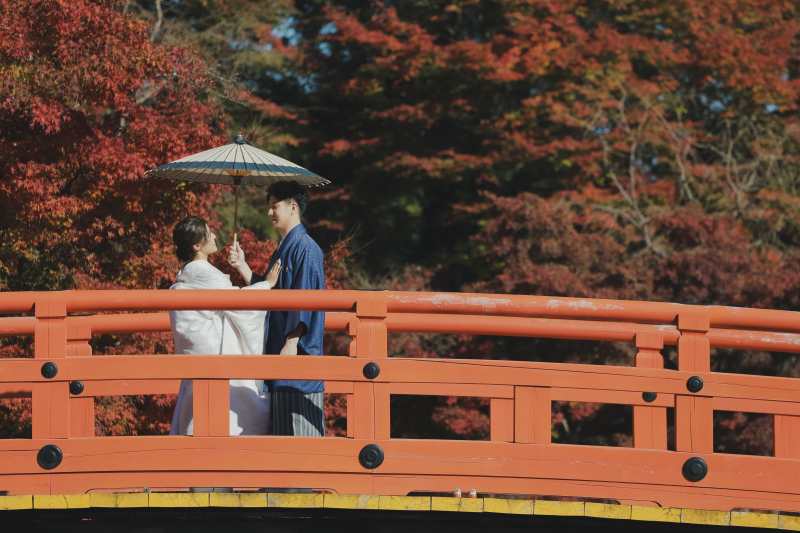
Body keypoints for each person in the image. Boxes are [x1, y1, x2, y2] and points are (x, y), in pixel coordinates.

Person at [227, 180, 326, 437]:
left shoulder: (305, 247)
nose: (270, 212)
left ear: (293, 207)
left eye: (275, 206)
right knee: (283, 439)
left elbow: (304, 298)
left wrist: (292, 341)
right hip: (281, 354)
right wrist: (243, 267)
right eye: (269, 207)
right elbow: (271, 293)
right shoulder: (285, 247)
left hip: (296, 356)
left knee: (300, 443)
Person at [168, 215, 281, 436]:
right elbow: (239, 304)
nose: (214, 236)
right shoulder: (206, 273)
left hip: (197, 359)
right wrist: (266, 285)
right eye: (209, 233)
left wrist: (241, 265)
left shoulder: (186, 277)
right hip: (213, 356)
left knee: (198, 401)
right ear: (197, 245)